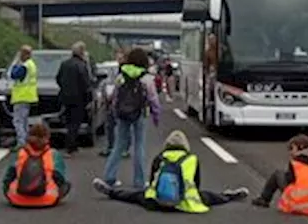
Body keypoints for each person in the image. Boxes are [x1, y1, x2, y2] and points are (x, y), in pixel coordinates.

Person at [92, 130, 249, 211]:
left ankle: (110, 192)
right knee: (209, 196)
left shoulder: (160, 156)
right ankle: (229, 196)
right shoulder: (192, 159)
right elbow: (195, 185)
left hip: (156, 202)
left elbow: (154, 180)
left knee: (134, 196)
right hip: (185, 202)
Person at [101, 47, 162, 189]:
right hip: (139, 113)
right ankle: (139, 181)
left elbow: (115, 96)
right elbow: (153, 99)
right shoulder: (146, 78)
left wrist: (114, 112)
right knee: (139, 146)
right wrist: (156, 116)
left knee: (119, 145)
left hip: (122, 114)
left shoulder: (122, 75)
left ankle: (110, 177)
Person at [251, 133, 308, 217]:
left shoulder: (296, 162)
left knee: (278, 174)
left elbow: (289, 180)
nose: (290, 152)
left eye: (292, 148)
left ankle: (264, 199)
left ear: (301, 147)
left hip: (298, 203)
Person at [2, 123, 71, 207]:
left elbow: (7, 178)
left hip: (17, 199)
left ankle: (20, 196)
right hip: (47, 199)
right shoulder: (53, 154)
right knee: (66, 184)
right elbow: (60, 178)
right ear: (47, 137)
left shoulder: (20, 153)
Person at [56, 41, 94, 155]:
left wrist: (64, 89)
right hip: (78, 98)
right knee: (75, 123)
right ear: (82, 52)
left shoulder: (64, 64)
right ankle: (70, 146)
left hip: (65, 97)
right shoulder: (81, 65)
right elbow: (85, 83)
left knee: (69, 122)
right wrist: (88, 97)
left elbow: (58, 78)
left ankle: (73, 145)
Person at [7, 44, 38, 148]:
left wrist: (15, 63)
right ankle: (26, 140)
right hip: (29, 96)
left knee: (18, 121)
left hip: (21, 96)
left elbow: (13, 75)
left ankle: (21, 142)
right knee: (24, 120)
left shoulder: (24, 66)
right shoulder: (32, 64)